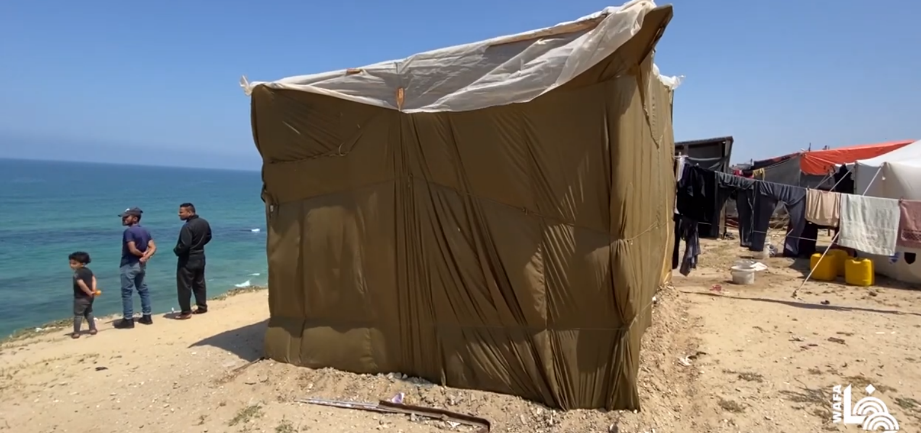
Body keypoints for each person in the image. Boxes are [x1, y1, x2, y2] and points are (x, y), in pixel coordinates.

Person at [115, 207, 157, 329]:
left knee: (127, 292)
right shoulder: (145, 230)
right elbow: (153, 247)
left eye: (126, 217)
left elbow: (132, 249)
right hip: (141, 265)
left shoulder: (129, 232)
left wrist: (141, 255)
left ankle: (128, 320)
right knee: (143, 290)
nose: (123, 219)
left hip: (129, 264)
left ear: (134, 218)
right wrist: (145, 257)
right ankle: (147, 316)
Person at [173, 202, 212, 319]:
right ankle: (202, 306)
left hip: (188, 259)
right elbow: (208, 236)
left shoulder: (187, 226)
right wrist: (199, 245)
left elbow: (185, 245)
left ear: (189, 212)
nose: (178, 214)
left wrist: (176, 251)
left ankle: (185, 311)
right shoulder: (204, 222)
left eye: (181, 212)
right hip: (200, 257)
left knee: (184, 285)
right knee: (199, 283)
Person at [68, 251, 98, 338]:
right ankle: (92, 329)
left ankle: (76, 332)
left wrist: (88, 291)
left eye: (74, 263)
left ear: (82, 263)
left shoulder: (77, 273)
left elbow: (81, 284)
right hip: (90, 297)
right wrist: (93, 290)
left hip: (80, 298)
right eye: (70, 263)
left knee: (78, 315)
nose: (71, 265)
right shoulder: (88, 271)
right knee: (89, 312)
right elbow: (94, 279)